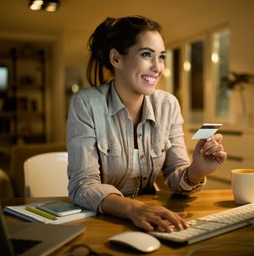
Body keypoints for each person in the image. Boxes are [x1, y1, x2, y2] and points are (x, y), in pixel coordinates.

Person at [67, 15, 227, 233]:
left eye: (161, 57)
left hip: (152, 217)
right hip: (102, 220)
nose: (157, 67)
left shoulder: (168, 105)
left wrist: (197, 170)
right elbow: (82, 186)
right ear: (116, 58)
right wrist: (133, 209)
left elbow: (175, 176)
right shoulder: (85, 104)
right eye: (146, 55)